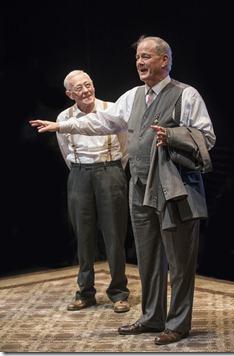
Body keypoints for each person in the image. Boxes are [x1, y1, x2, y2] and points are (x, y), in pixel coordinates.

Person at [30, 36, 216, 345]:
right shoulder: (132, 97)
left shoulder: (187, 95)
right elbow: (103, 122)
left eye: (146, 56)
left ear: (164, 60)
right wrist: (63, 126)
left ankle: (178, 323)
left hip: (175, 188)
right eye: (137, 58)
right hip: (140, 188)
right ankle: (152, 317)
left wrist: (171, 136)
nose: (140, 62)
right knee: (148, 258)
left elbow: (206, 138)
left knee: (180, 261)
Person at [42, 70, 131, 313]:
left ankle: (118, 292)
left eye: (88, 84)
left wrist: (111, 169)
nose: (86, 90)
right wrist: (82, 170)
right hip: (80, 173)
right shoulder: (64, 117)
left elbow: (125, 146)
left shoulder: (111, 109)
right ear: (70, 94)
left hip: (111, 171)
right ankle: (85, 291)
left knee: (114, 235)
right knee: (84, 235)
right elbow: (65, 152)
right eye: (79, 88)